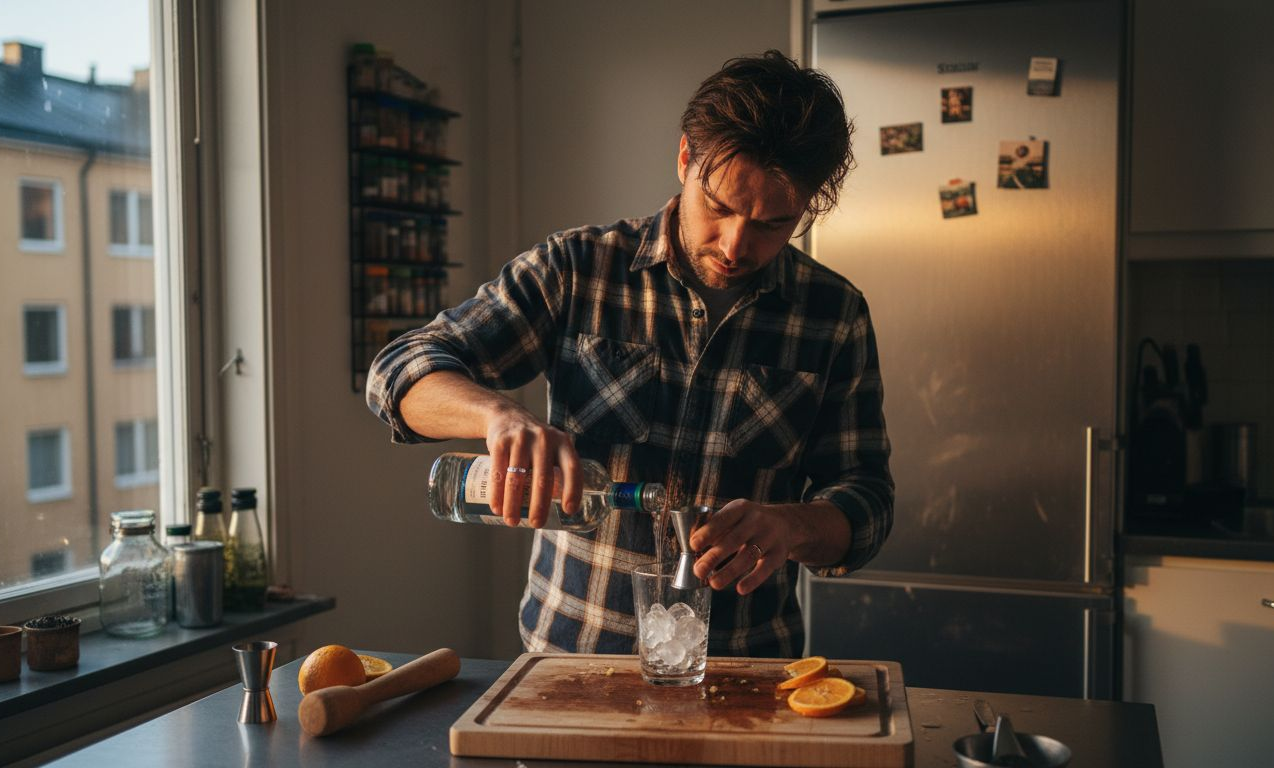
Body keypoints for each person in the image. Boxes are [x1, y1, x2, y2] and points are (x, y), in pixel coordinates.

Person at [367, 50, 893, 658]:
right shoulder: (577, 269)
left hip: (743, 670)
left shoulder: (834, 314)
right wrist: (497, 417)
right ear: (685, 158)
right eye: (719, 207)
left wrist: (792, 525)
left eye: (772, 224)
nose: (734, 245)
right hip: (570, 664)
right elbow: (398, 371)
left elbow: (867, 499)